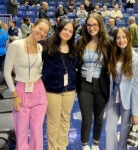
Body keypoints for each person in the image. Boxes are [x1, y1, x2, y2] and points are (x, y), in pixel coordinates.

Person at [4, 19, 50, 150]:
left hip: (39, 91)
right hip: (20, 91)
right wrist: (14, 95)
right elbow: (7, 72)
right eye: (40, 29)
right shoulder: (16, 45)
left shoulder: (41, 48)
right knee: (21, 131)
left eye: (45, 32)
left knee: (37, 132)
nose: (41, 33)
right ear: (33, 27)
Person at [76, 13, 112, 150]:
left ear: (100, 25)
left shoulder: (108, 42)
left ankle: (95, 144)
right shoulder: (81, 42)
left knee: (99, 118)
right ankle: (85, 145)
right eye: (89, 25)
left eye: (94, 25)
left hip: (101, 85)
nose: (91, 28)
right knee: (86, 119)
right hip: (84, 85)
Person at [105, 27, 138, 150]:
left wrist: (136, 114)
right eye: (118, 38)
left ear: (129, 38)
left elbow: (137, 89)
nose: (121, 40)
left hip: (128, 98)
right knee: (109, 130)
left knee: (123, 134)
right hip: (113, 95)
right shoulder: (113, 56)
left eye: (124, 37)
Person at [42, 19, 77, 150]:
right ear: (59, 29)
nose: (67, 33)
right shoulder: (48, 45)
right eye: (65, 29)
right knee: (53, 121)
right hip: (52, 90)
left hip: (70, 90)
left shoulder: (74, 48)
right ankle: (52, 147)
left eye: (70, 31)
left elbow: (74, 68)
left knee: (65, 119)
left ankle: (62, 147)